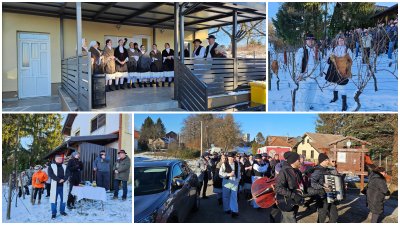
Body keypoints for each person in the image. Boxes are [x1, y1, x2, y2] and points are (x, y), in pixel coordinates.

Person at [274, 152, 304, 223]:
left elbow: (301, 186)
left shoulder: (297, 172)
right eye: (298, 160)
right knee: (291, 220)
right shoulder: (284, 172)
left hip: (295, 201)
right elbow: (278, 188)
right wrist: (293, 195)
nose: (300, 161)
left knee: (286, 221)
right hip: (286, 202)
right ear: (293, 161)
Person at [325, 35, 353, 111]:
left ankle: (344, 104)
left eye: (342, 40)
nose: (340, 42)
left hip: (343, 70)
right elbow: (328, 59)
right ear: (337, 41)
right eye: (339, 40)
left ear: (344, 41)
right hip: (334, 69)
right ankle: (335, 97)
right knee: (334, 84)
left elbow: (350, 60)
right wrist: (330, 57)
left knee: (342, 86)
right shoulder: (334, 49)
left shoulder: (347, 49)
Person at [295, 33, 321, 111]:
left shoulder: (316, 51)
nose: (310, 41)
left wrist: (321, 72)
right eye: (308, 40)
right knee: (304, 95)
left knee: (312, 94)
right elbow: (298, 63)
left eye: (312, 40)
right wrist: (299, 74)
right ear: (306, 41)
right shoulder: (302, 50)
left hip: (315, 77)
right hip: (305, 78)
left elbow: (320, 62)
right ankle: (303, 110)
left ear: (314, 41)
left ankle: (309, 106)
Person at [311, 153, 338, 223]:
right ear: (322, 161)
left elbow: (331, 180)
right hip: (321, 196)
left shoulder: (327, 169)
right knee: (322, 217)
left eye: (328, 160)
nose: (328, 161)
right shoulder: (317, 170)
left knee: (334, 216)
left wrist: (339, 185)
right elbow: (312, 183)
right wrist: (322, 187)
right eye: (326, 160)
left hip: (330, 196)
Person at [219, 152, 241, 218]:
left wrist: (238, 180)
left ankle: (234, 211)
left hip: (234, 183)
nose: (231, 158)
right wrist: (228, 174)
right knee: (226, 196)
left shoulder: (237, 164)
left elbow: (239, 173)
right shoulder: (224, 164)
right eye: (230, 157)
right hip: (226, 183)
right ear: (228, 158)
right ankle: (227, 209)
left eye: (232, 157)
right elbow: (220, 174)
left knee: (234, 197)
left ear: (234, 158)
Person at [48, 154, 69, 219]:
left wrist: (64, 179)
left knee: (63, 199)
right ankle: (54, 213)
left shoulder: (65, 166)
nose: (60, 159)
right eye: (59, 158)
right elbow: (50, 174)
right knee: (54, 200)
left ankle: (62, 211)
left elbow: (68, 173)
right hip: (55, 186)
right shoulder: (51, 166)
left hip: (63, 186)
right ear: (55, 159)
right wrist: (58, 180)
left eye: (61, 158)